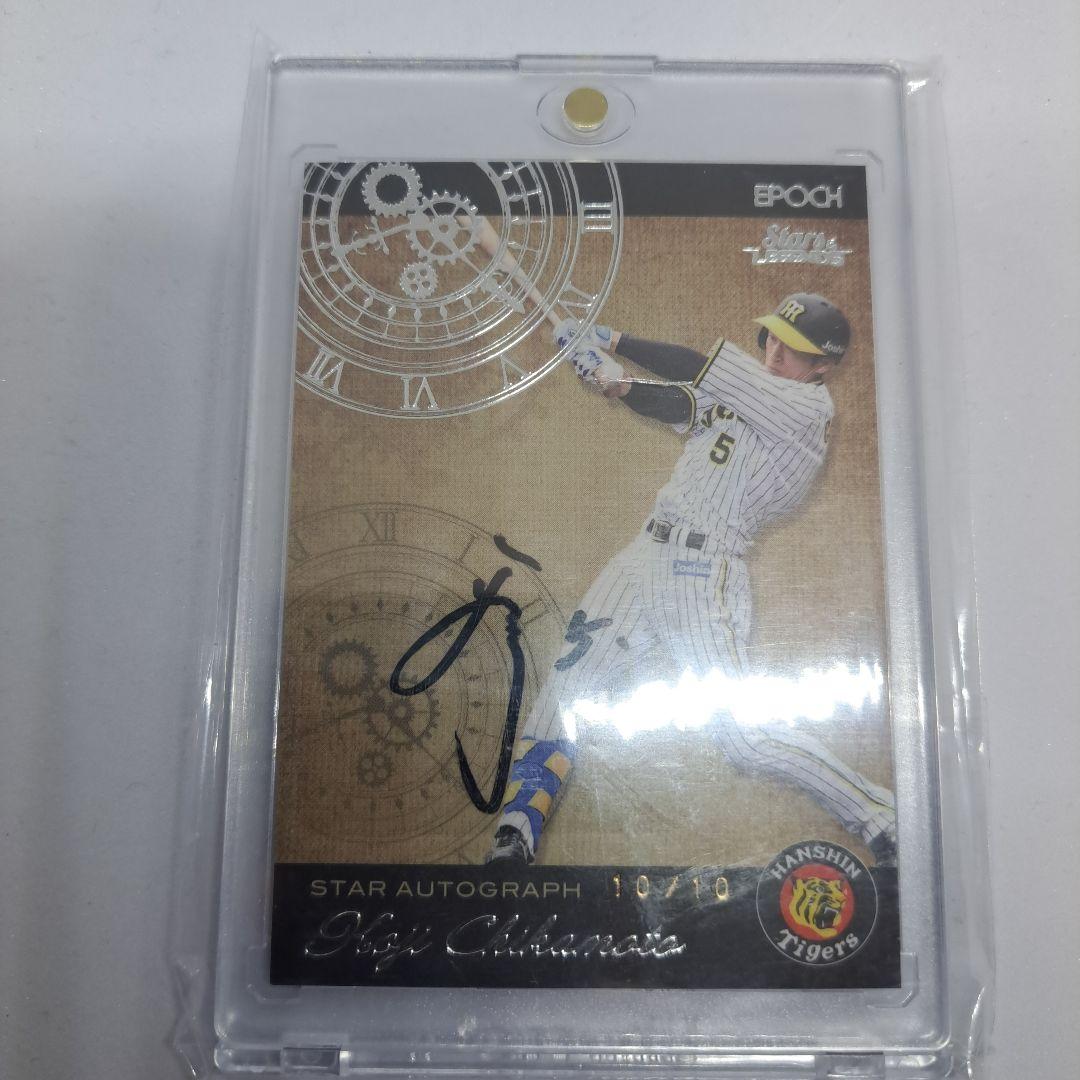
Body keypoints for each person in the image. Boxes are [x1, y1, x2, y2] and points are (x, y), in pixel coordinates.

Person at [486, 293, 898, 867]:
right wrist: (617, 385)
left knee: (743, 739)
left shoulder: (807, 409)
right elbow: (680, 402)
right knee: (567, 685)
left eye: (796, 349)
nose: (777, 353)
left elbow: (693, 366)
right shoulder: (751, 391)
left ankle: (882, 816)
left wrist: (612, 340)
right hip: (642, 556)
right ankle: (517, 829)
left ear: (822, 366)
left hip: (705, 572)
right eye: (775, 338)